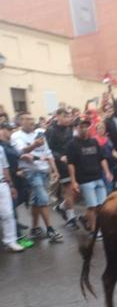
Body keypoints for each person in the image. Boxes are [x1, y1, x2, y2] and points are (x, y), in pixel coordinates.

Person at [11, 113, 63, 243]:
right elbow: (20, 152)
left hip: (44, 170)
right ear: (21, 122)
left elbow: (48, 152)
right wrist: (34, 145)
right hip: (31, 172)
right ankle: (50, 229)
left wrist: (55, 170)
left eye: (32, 119)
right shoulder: (16, 136)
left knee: (37, 200)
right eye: (28, 119)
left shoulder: (40, 132)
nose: (32, 122)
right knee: (44, 199)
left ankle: (34, 228)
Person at [66, 118, 113, 235]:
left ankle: (85, 219)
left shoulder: (94, 142)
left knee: (101, 206)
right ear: (76, 128)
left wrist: (107, 172)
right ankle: (94, 230)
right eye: (81, 126)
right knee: (92, 206)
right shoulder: (72, 144)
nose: (84, 129)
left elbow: (102, 158)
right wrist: (73, 181)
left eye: (86, 126)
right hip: (85, 180)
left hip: (98, 177)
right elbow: (70, 164)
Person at [45, 108, 77, 229]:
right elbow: (48, 149)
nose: (68, 118)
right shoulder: (51, 131)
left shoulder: (70, 129)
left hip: (72, 162)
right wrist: (60, 157)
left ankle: (61, 207)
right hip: (61, 165)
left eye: (69, 116)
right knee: (68, 190)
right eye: (65, 116)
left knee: (76, 191)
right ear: (57, 116)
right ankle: (71, 217)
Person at [0, 138, 24, 252]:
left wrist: (11, 185)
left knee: (8, 214)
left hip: (2, 184)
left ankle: (10, 240)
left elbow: (5, 168)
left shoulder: (0, 149)